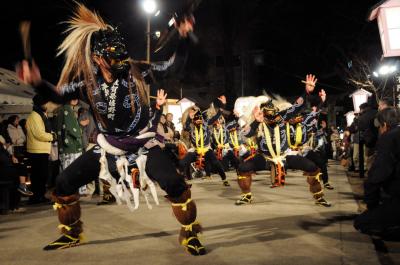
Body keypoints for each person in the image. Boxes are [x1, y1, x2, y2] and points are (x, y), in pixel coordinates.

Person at [19, 3, 206, 255]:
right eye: (114, 57)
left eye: (122, 55)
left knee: (174, 182)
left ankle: (190, 233)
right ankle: (72, 233)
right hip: (108, 148)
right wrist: (37, 82)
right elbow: (58, 94)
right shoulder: (87, 82)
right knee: (63, 183)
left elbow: (172, 67)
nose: (121, 61)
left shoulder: (137, 71)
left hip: (143, 145)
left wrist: (183, 38)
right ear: (98, 58)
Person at [234, 75, 331, 207]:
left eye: (270, 107)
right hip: (265, 158)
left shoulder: (283, 116)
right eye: (264, 109)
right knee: (243, 168)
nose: (269, 111)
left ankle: (319, 197)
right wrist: (256, 122)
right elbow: (246, 134)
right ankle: (246, 195)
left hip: (286, 156)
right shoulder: (257, 121)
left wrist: (306, 92)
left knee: (312, 168)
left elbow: (297, 106)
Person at [354, 107, 400, 240]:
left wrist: (371, 203)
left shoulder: (389, 137)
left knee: (362, 223)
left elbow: (377, 175)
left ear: (384, 125)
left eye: (379, 127)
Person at [180, 98, 230, 186]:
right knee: (183, 162)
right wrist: (189, 118)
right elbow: (185, 127)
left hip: (206, 149)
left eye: (200, 118)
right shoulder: (191, 126)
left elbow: (217, 115)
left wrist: (223, 105)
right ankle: (185, 181)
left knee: (216, 163)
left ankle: (224, 179)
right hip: (196, 150)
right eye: (196, 119)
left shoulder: (206, 123)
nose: (198, 121)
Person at [26, 94, 56, 204]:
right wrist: (52, 137)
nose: (47, 105)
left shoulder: (41, 115)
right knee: (38, 176)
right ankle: (36, 197)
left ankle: (40, 196)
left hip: (41, 149)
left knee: (42, 175)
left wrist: (51, 135)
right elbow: (39, 134)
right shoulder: (35, 116)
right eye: (45, 103)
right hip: (36, 150)